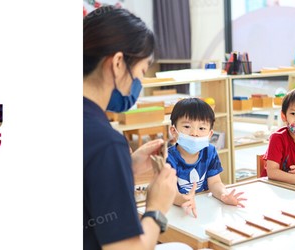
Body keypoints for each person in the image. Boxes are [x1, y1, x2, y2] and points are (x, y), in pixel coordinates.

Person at [83, 6, 178, 250]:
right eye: (142, 71)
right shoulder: (106, 141)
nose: (139, 83)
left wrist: (125, 169)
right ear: (117, 63)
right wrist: (157, 209)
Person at [166, 98, 246, 218]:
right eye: (187, 126)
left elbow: (214, 182)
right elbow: (170, 192)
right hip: (177, 210)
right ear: (173, 131)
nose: (195, 133)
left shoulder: (210, 152)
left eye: (202, 128)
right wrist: (184, 199)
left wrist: (223, 195)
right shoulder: (168, 158)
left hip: (203, 207)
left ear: (210, 134)